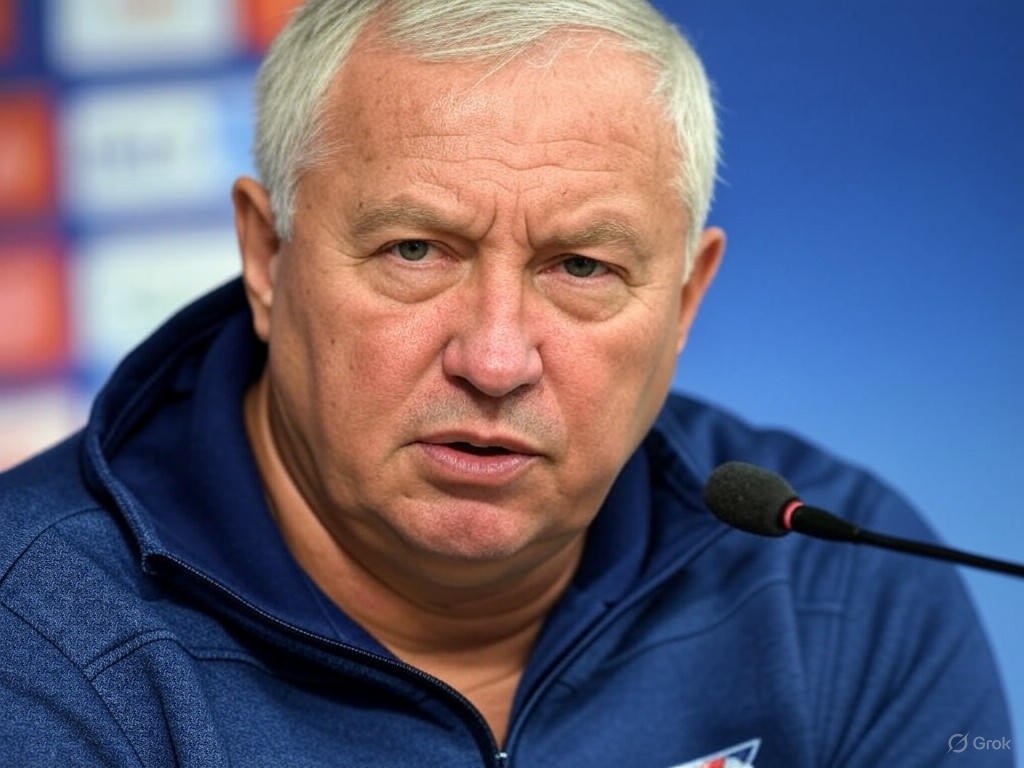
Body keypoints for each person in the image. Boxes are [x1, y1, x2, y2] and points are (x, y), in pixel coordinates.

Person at [0, 0, 1012, 765]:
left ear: (685, 300)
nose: (494, 360)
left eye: (582, 267)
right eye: (415, 250)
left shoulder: (835, 586)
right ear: (268, 256)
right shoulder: (36, 632)